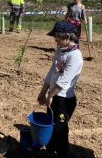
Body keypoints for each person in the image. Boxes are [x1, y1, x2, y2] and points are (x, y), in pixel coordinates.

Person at [37, 21, 84, 158]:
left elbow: (64, 80)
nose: (55, 39)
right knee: (51, 124)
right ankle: (50, 149)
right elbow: (52, 72)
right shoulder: (60, 51)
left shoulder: (75, 56)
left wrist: (50, 96)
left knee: (61, 128)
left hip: (64, 99)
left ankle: (63, 152)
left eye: (57, 36)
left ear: (67, 36)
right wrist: (43, 92)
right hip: (54, 95)